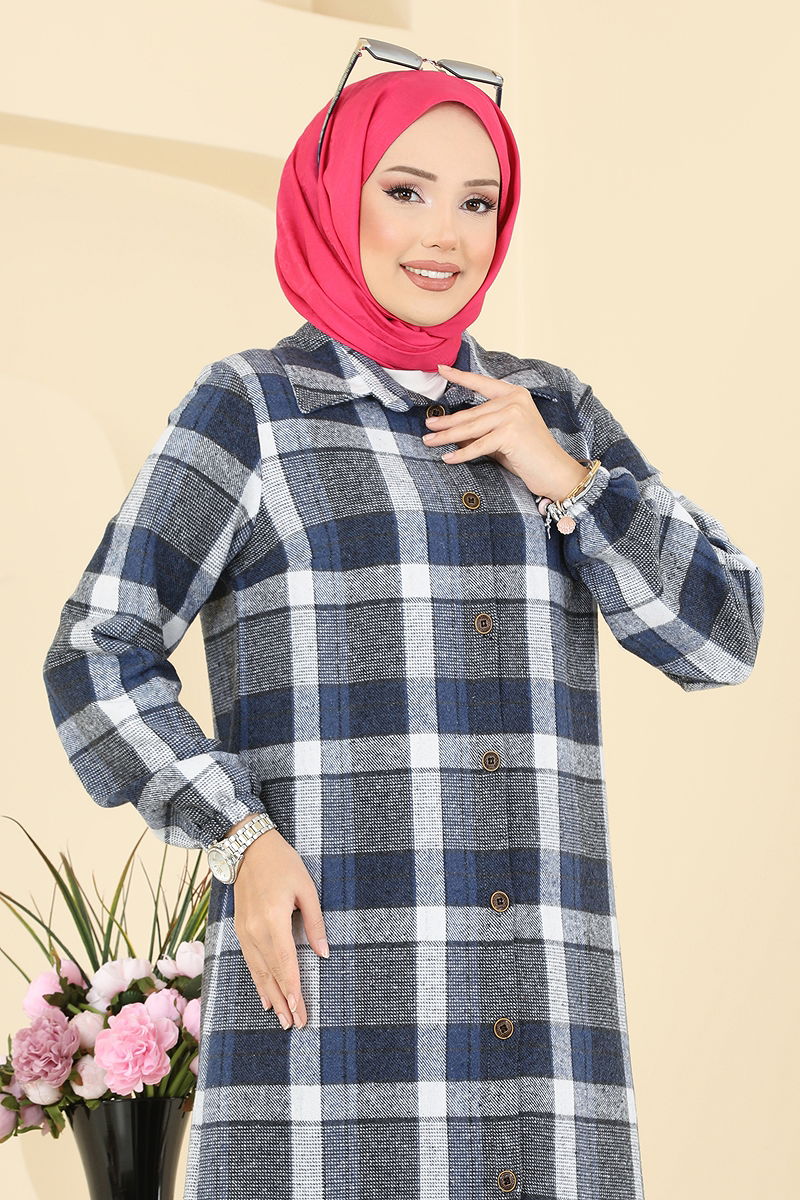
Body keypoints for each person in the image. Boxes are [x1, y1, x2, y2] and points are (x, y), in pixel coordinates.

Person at [42, 57, 764, 1200]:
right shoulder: (252, 407)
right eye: (405, 190)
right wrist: (237, 834)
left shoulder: (551, 409)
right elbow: (96, 649)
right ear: (336, 197)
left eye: (478, 201)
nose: (444, 235)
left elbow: (721, 635)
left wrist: (566, 478)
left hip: (543, 1042)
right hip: (337, 1019)